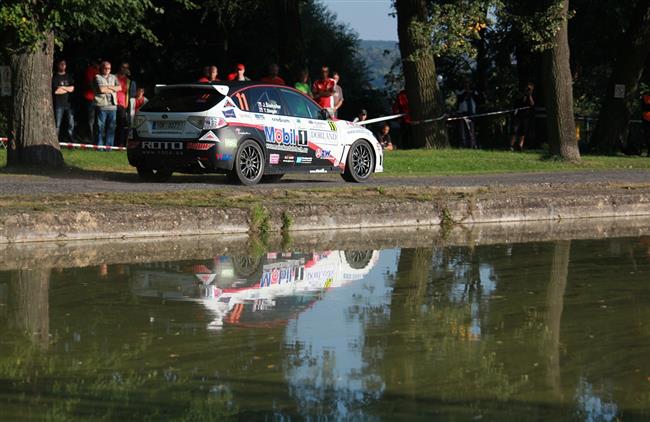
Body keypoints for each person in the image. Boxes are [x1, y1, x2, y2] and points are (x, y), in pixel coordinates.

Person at [93, 61, 121, 148]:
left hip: (113, 106)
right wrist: (113, 88)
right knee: (100, 128)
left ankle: (109, 147)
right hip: (102, 106)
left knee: (111, 128)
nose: (107, 70)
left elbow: (120, 88)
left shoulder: (114, 77)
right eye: (106, 68)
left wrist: (108, 87)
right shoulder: (97, 77)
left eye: (109, 68)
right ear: (101, 68)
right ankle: (100, 146)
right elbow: (101, 90)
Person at [52, 58, 75, 141]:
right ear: (57, 65)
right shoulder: (54, 77)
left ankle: (71, 140)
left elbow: (72, 88)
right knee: (57, 124)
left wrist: (62, 87)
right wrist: (67, 89)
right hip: (59, 104)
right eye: (61, 64)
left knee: (71, 123)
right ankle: (55, 140)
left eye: (64, 64)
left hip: (69, 104)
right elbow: (56, 91)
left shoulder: (69, 76)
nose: (63, 66)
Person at [115, 62, 137, 147]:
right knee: (112, 125)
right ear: (119, 67)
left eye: (126, 67)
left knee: (121, 125)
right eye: (123, 67)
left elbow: (132, 95)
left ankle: (120, 143)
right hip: (112, 104)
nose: (124, 69)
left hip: (123, 105)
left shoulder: (129, 81)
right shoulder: (113, 77)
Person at [510, 82, 535, 151]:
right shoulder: (520, 93)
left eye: (529, 88)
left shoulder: (531, 95)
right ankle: (511, 146)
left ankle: (520, 146)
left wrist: (529, 95)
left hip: (526, 116)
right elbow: (517, 99)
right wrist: (524, 93)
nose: (528, 89)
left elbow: (532, 104)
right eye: (527, 88)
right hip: (517, 115)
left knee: (523, 132)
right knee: (514, 130)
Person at [456, 81, 480, 148]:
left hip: (471, 112)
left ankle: (472, 144)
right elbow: (460, 99)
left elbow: (478, 99)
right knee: (462, 129)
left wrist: (472, 93)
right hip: (462, 112)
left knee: (471, 129)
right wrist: (466, 92)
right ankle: (463, 144)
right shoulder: (460, 91)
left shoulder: (474, 92)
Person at [83, 58, 100, 142]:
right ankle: (90, 138)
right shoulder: (90, 70)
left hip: (99, 99)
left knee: (97, 120)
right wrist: (98, 91)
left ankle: (96, 137)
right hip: (90, 98)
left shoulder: (99, 71)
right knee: (91, 119)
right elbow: (90, 83)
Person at [642, 90, 650, 156]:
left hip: (646, 118)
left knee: (647, 135)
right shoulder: (645, 97)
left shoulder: (645, 97)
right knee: (647, 135)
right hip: (646, 118)